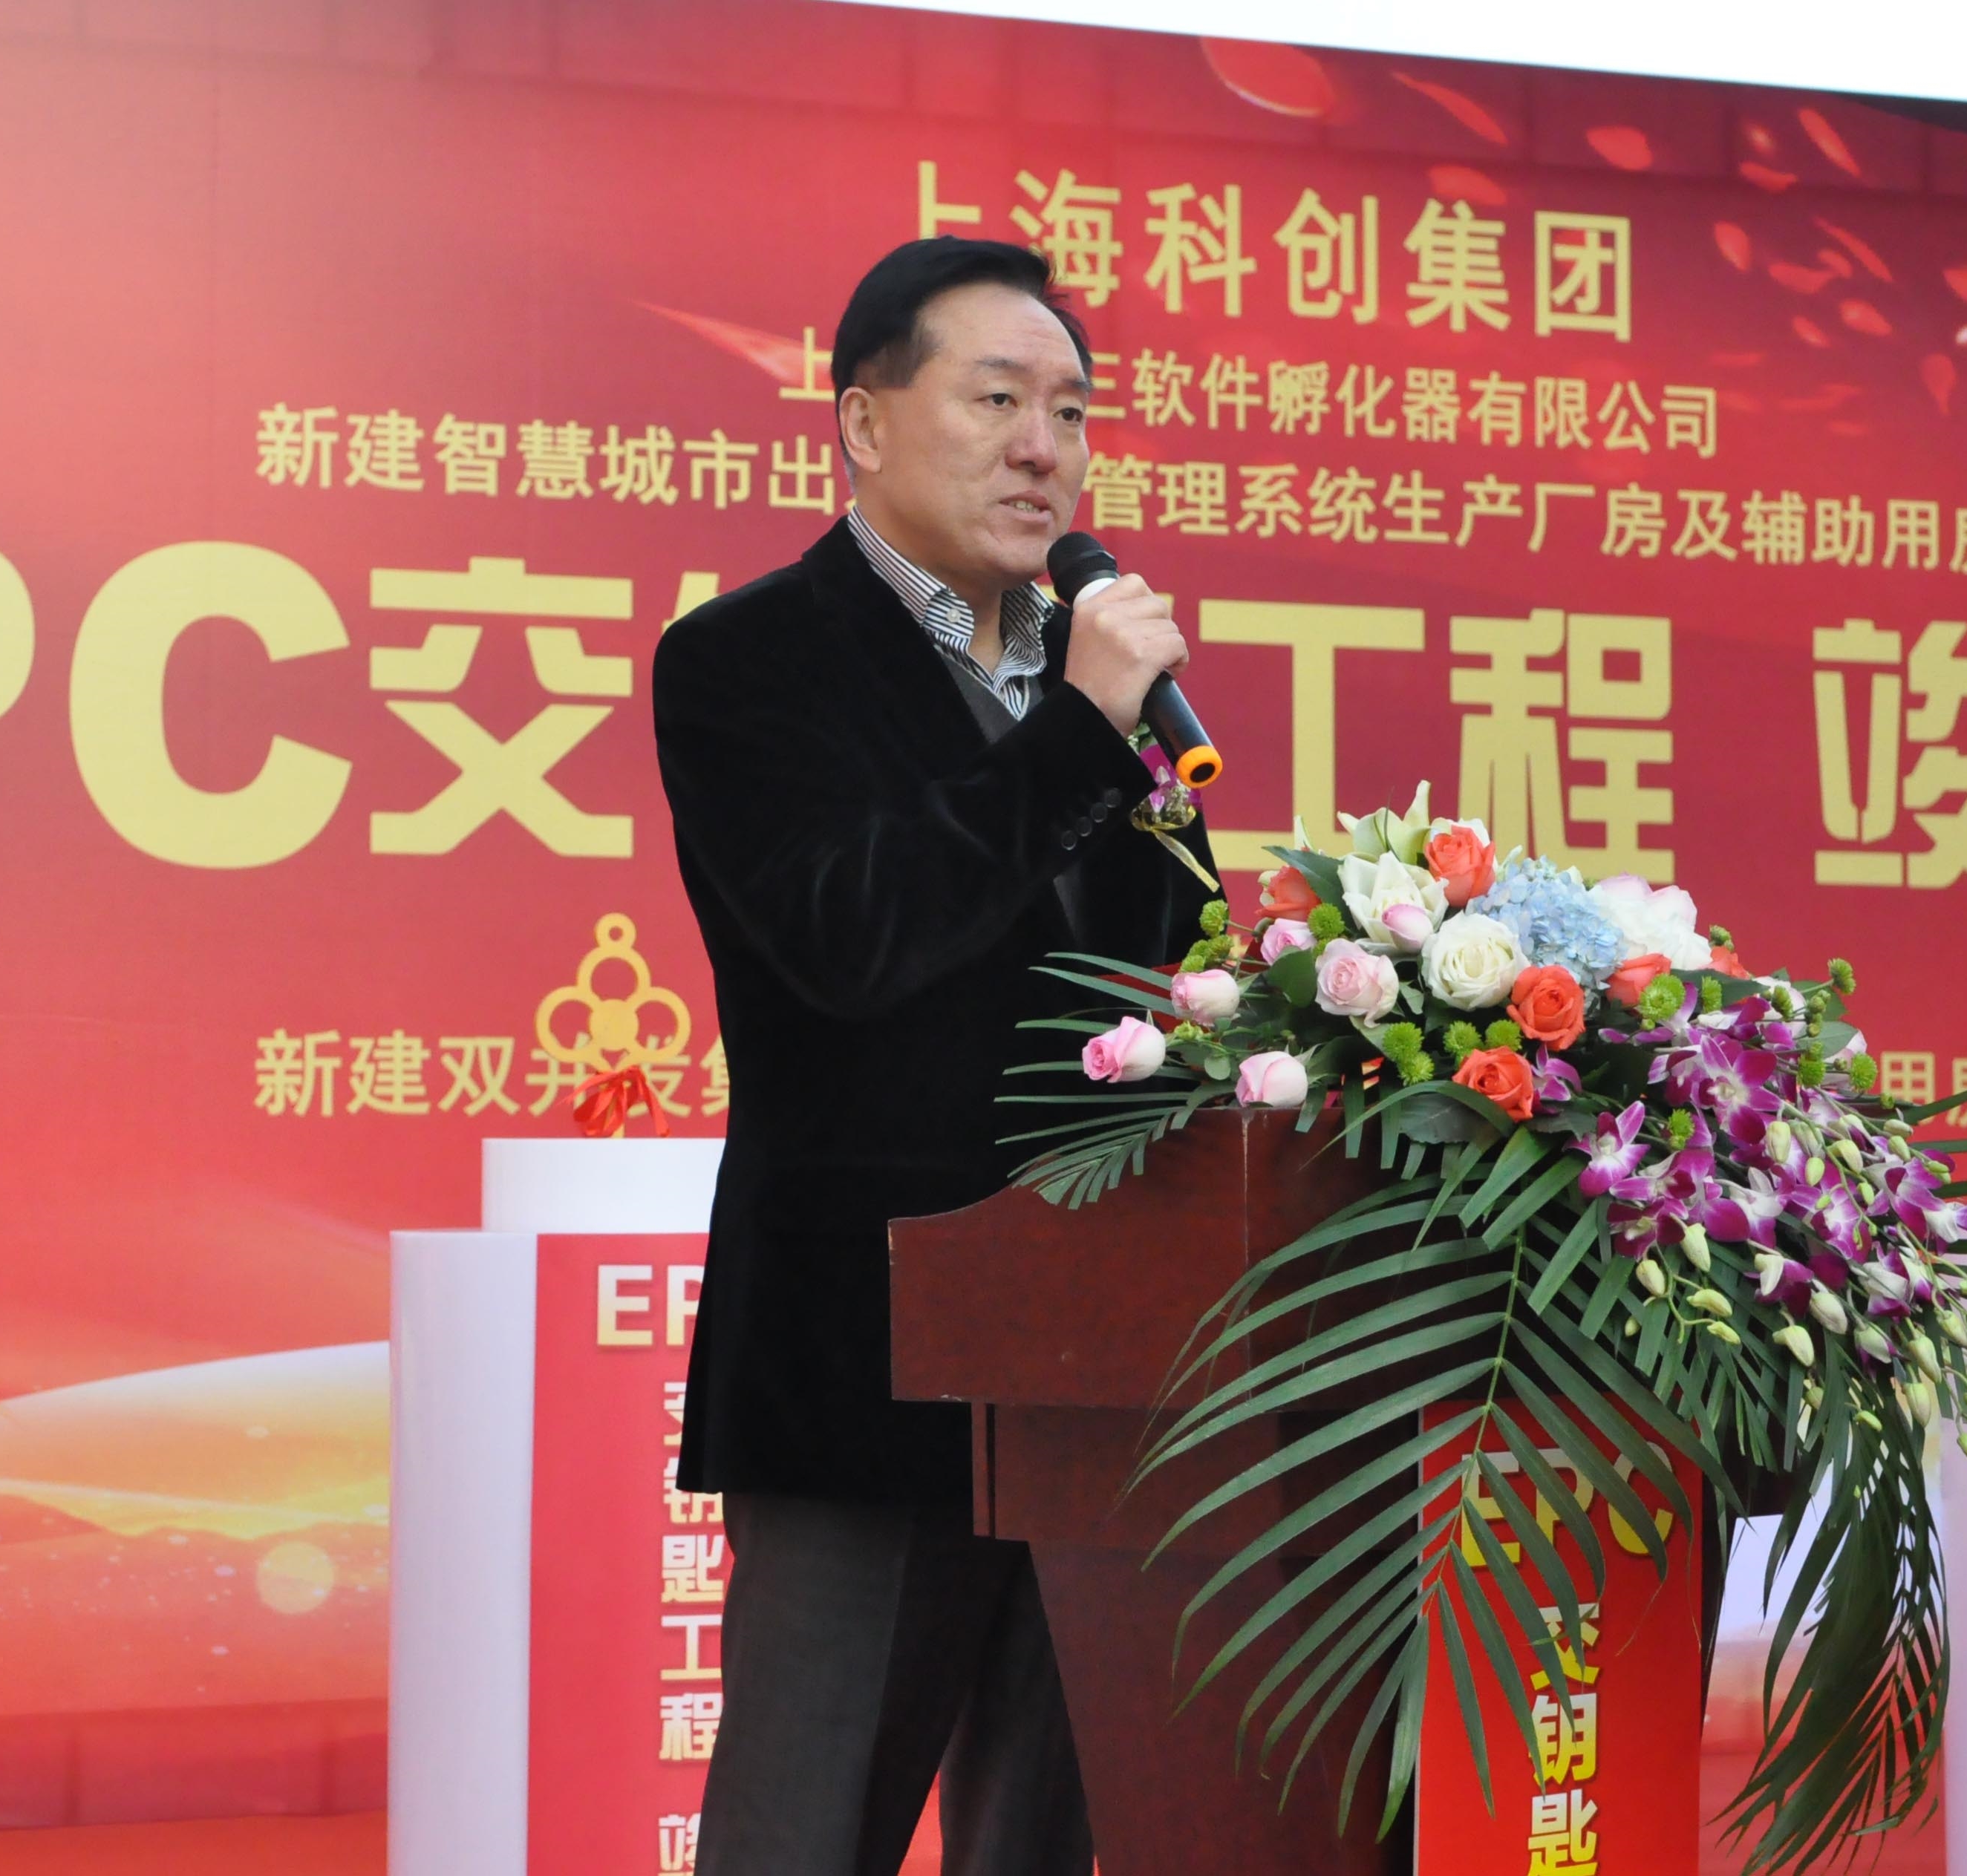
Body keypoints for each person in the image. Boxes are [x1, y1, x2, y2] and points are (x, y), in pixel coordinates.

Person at [650, 237, 1216, 1876]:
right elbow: (852, 938)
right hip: (864, 1366)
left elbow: (1159, 990)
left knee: (1045, 1840)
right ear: (863, 421)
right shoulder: (749, 658)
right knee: (804, 1833)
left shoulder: (1109, 693)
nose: (1044, 447)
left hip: (1100, 1375)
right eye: (996, 400)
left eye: (1072, 411)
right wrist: (1079, 732)